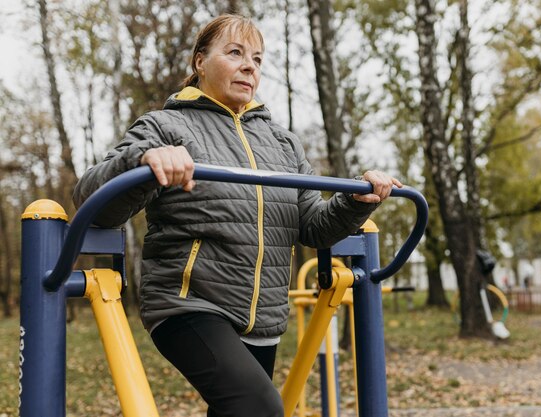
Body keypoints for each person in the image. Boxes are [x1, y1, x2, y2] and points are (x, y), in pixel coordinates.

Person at [73, 14, 401, 417]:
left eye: (258, 59)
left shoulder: (282, 143)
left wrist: (358, 200)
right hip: (190, 304)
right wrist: (144, 160)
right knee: (260, 407)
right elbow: (91, 196)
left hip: (263, 318)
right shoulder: (166, 125)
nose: (250, 66)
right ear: (199, 62)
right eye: (235, 53)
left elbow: (314, 226)